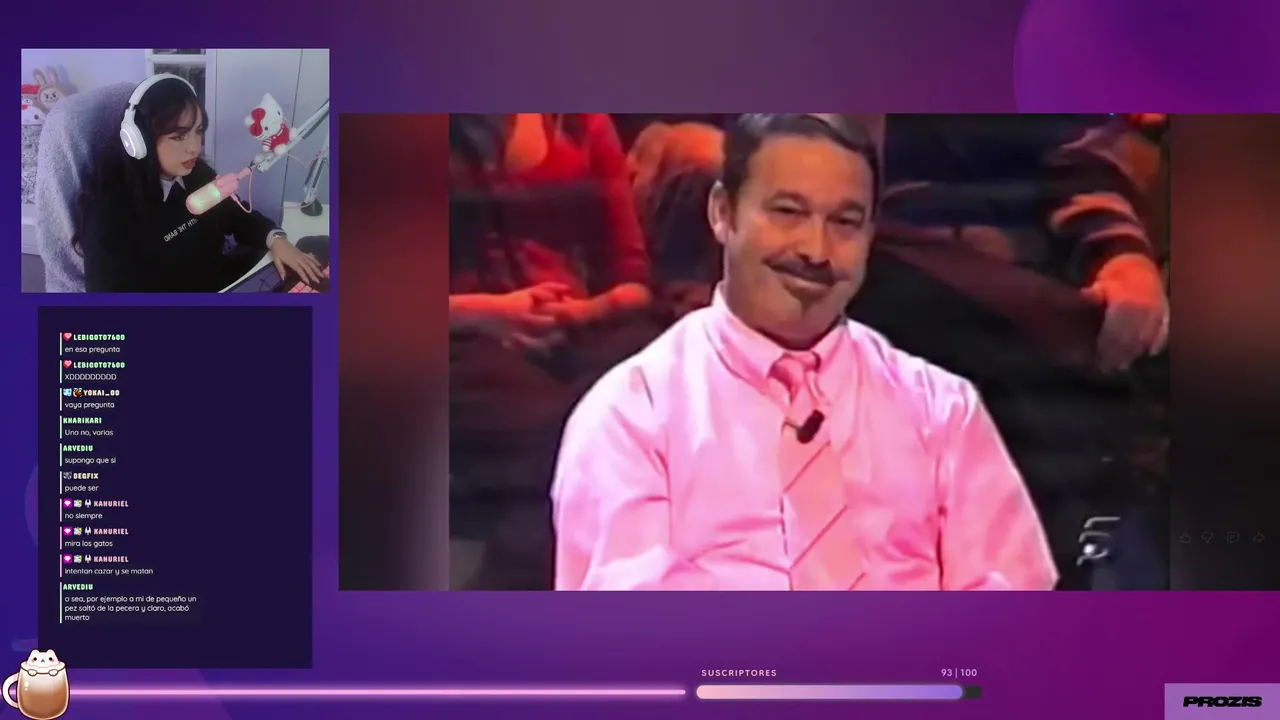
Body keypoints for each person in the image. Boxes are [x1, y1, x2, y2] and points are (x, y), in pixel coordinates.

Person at [551, 114, 1057, 591]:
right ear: (722, 212)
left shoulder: (942, 410)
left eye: (845, 222)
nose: (816, 250)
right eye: (788, 212)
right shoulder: (632, 415)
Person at [448, 114, 662, 590]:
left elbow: (632, 277)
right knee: (562, 435)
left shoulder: (584, 124)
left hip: (577, 329)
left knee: (659, 386)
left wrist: (584, 313)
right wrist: (487, 312)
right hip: (461, 333)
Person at [72, 74, 325, 292]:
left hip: (222, 282)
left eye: (198, 130)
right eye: (179, 136)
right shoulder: (108, 215)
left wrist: (277, 239)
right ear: (141, 141)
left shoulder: (196, 174)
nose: (195, 147)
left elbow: (239, 216)